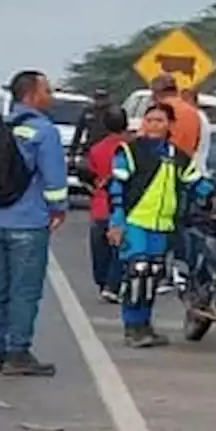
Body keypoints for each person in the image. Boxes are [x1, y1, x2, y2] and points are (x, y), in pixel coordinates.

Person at [0, 70, 69, 376]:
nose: (52, 96)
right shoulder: (43, 131)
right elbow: (55, 179)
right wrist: (58, 208)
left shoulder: (1, 126)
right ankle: (17, 351)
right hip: (29, 221)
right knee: (25, 290)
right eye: (47, 90)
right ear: (32, 95)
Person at [106, 102, 213, 347]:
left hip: (163, 226)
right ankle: (132, 328)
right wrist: (117, 221)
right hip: (134, 222)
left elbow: (195, 183)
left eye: (160, 121)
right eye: (150, 120)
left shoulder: (178, 156)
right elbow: (116, 187)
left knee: (153, 275)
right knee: (138, 273)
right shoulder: (129, 151)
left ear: (170, 126)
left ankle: (145, 326)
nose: (154, 125)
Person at [85, 106, 129, 303]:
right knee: (119, 248)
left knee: (100, 247)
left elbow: (90, 175)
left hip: (100, 203)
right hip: (122, 203)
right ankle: (113, 284)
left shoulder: (96, 149)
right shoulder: (131, 148)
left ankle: (103, 282)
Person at [67, 87, 115, 170]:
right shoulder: (89, 111)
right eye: (98, 98)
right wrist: (72, 154)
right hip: (90, 149)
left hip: (108, 150)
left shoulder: (113, 112)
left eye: (102, 98)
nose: (100, 101)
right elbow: (78, 132)